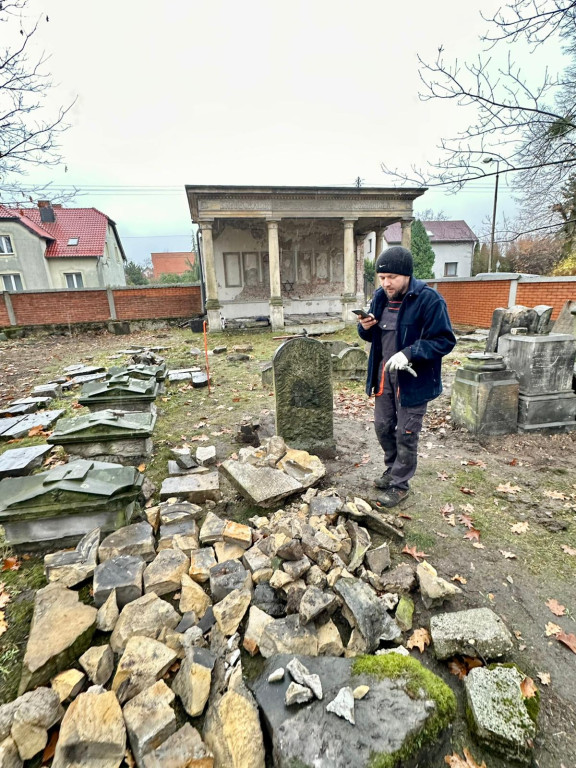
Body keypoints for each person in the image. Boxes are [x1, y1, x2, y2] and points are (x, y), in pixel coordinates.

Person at [357, 246, 456, 508]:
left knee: (406, 433)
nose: (386, 283)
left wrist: (411, 352)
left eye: (392, 277)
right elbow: (372, 337)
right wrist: (364, 327)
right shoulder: (380, 297)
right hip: (383, 377)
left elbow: (445, 341)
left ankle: (400, 485)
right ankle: (392, 468)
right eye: (382, 278)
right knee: (382, 427)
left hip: (412, 380)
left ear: (406, 275)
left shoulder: (429, 300)